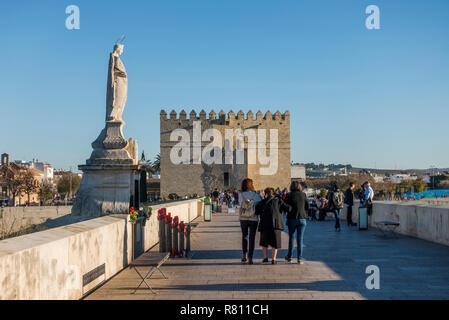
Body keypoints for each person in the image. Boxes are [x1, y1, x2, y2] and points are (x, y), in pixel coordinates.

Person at [256, 187, 291, 264]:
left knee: (264, 242)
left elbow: (257, 211)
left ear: (266, 194)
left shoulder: (262, 202)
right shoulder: (278, 201)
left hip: (265, 224)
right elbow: (288, 208)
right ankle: (274, 259)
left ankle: (265, 258)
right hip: (276, 224)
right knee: (275, 242)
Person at [283, 181, 309, 264]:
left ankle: (289, 257)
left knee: (291, 238)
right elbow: (307, 207)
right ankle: (299, 258)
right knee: (300, 239)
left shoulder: (289, 195)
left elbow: (285, 207)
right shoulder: (303, 194)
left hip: (292, 219)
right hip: (302, 218)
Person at [238, 179, 262, 265]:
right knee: (252, 238)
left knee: (244, 236)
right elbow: (259, 204)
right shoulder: (256, 194)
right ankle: (250, 257)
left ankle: (244, 255)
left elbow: (240, 204)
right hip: (253, 218)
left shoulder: (240, 194)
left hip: (243, 217)